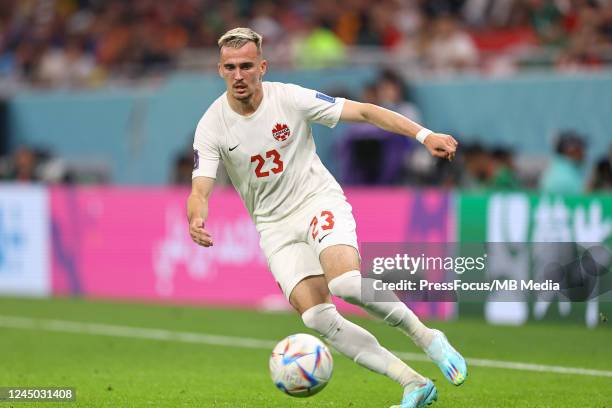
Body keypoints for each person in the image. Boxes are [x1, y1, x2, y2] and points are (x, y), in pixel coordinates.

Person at [187, 27, 466, 408]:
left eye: (247, 66)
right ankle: (412, 382)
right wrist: (196, 218)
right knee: (317, 317)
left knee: (347, 283)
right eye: (230, 67)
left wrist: (424, 134)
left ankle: (428, 338)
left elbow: (365, 111)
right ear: (220, 70)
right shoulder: (211, 124)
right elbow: (200, 187)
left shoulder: (291, 98)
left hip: (317, 201)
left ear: (262, 67)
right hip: (273, 226)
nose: (239, 75)